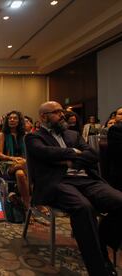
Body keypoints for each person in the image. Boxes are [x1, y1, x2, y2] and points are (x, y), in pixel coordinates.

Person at [26, 101, 122, 276]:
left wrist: (69, 159)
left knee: (119, 201)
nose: (62, 115)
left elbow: (93, 155)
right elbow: (45, 153)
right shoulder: (34, 137)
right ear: (43, 117)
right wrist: (75, 153)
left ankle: (101, 239)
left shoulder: (73, 134)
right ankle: (99, 269)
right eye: (56, 112)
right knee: (83, 208)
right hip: (58, 182)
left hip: (86, 180)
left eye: (62, 111)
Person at [0, 111, 30, 210]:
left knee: (20, 174)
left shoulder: (25, 135)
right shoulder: (2, 135)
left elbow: (29, 152)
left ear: (19, 121)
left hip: (22, 164)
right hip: (6, 163)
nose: (12, 120)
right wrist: (13, 158)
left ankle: (25, 204)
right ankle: (33, 200)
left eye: (15, 118)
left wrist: (23, 159)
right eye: (10, 118)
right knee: (24, 164)